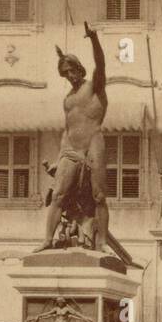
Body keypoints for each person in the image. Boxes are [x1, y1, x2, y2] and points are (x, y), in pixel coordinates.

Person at [39, 21, 108, 252]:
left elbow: (101, 64)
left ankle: (102, 243)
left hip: (93, 144)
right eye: (65, 73)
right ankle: (47, 240)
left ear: (79, 68)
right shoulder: (67, 99)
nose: (70, 76)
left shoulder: (94, 87)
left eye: (72, 70)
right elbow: (66, 131)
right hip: (70, 149)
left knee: (99, 196)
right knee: (58, 195)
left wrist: (94, 39)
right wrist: (59, 159)